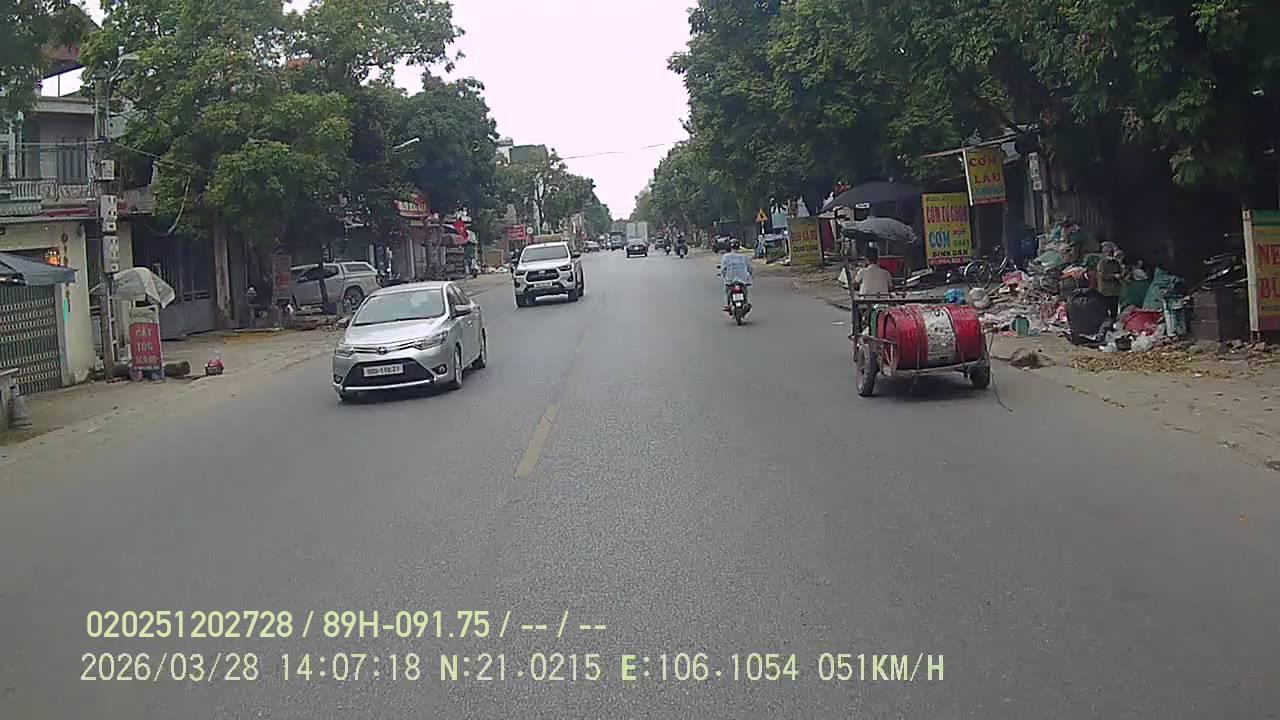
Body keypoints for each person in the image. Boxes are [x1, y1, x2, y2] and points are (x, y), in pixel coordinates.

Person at [1097, 241, 1124, 322]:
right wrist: (1114, 276)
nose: (1110, 253)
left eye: (1111, 252)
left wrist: (1121, 275)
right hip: (1105, 291)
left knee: (1114, 310)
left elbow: (1120, 273)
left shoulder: (1116, 263)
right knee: (1105, 311)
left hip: (1115, 291)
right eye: (1107, 252)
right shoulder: (1102, 263)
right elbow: (1102, 276)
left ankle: (1112, 323)